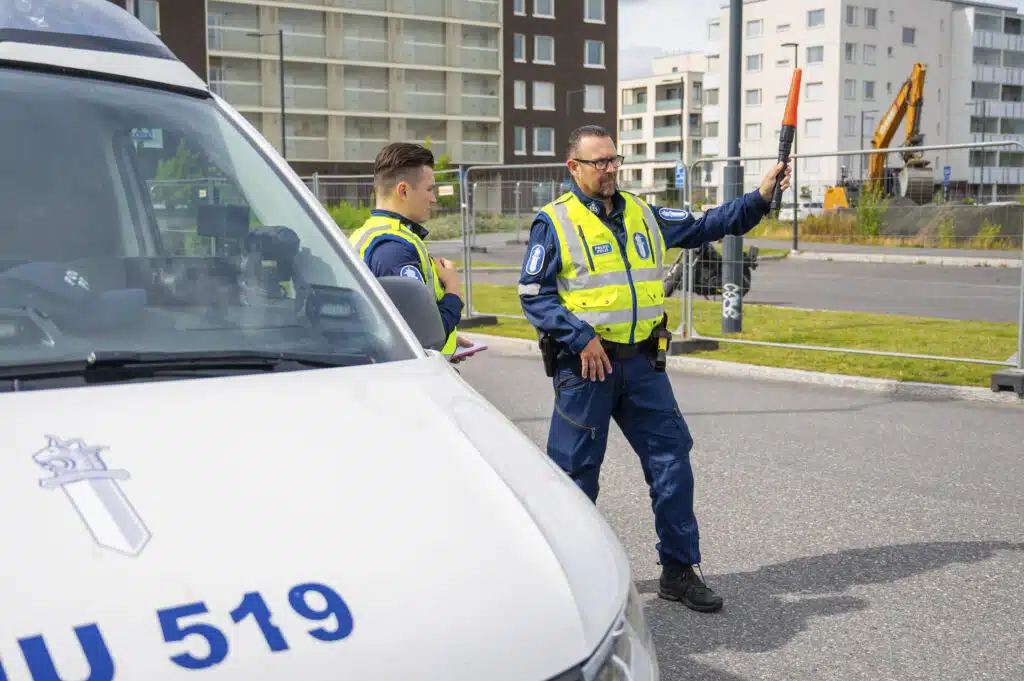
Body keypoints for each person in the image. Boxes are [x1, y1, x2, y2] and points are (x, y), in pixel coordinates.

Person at [517, 125, 791, 613]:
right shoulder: (553, 222)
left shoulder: (644, 213)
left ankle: (679, 571)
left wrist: (759, 197)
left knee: (672, 464)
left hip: (643, 364)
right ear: (573, 167)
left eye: (613, 160)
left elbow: (707, 224)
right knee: (575, 475)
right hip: (587, 371)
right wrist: (580, 337)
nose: (609, 170)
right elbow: (534, 294)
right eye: (599, 162)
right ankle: (571, 576)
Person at [348, 142, 473, 361]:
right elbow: (420, 336)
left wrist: (447, 348)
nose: (433, 199)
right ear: (403, 190)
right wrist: (453, 287)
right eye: (429, 189)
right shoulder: (393, 249)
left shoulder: (366, 234)